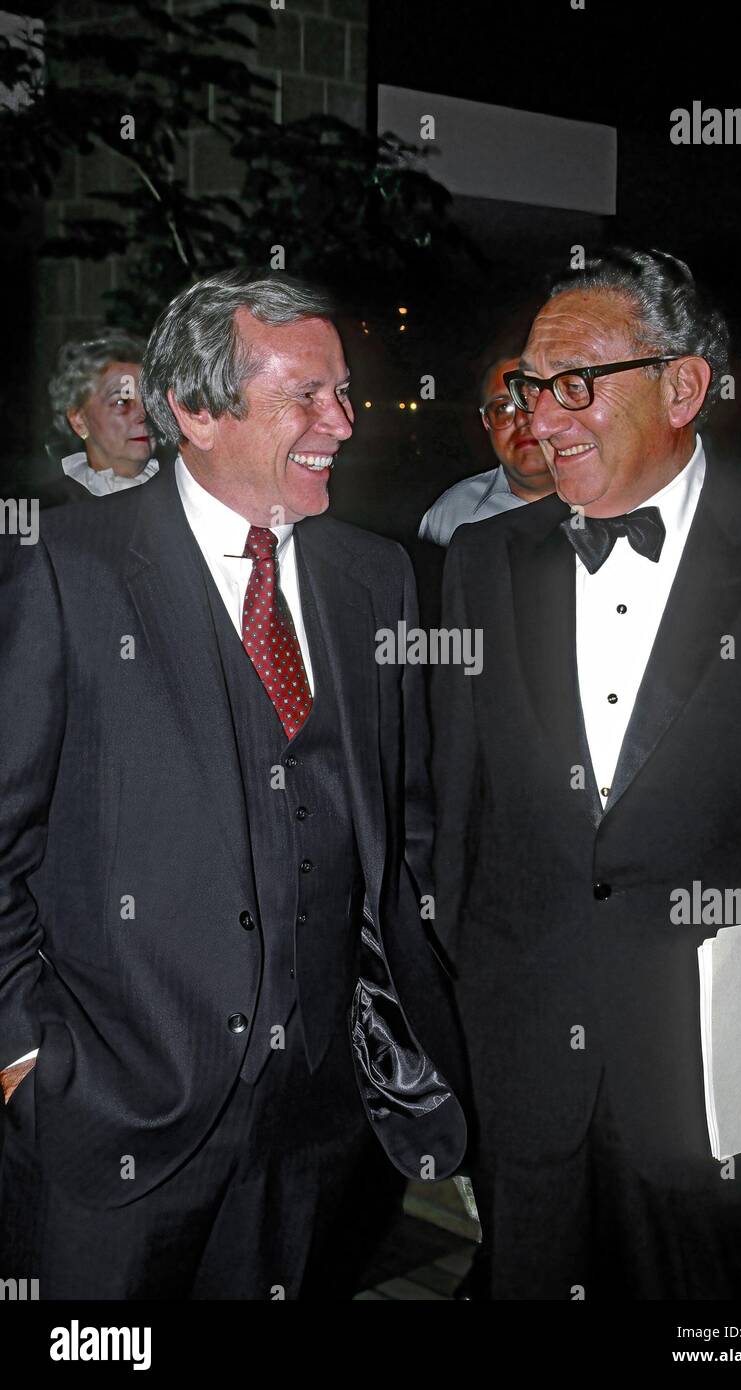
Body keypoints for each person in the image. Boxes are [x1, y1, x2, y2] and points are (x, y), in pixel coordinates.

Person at [0, 268, 467, 1300]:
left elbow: (403, 818)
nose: (341, 422)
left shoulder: (373, 577)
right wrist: (24, 1055)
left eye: (342, 391)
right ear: (194, 409)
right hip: (109, 1112)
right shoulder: (65, 570)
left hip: (312, 1116)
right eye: (306, 395)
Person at [433, 247, 741, 1300]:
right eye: (531, 387)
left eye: (576, 382)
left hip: (731, 1078)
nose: (541, 417)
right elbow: (452, 817)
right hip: (526, 1066)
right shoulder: (481, 562)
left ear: (681, 387)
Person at [418, 355, 555, 547]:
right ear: (486, 422)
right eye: (502, 408)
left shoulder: (605, 500)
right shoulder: (450, 515)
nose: (521, 420)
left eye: (531, 400)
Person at [42, 330, 160, 503]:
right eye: (122, 403)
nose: (143, 415)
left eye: (150, 401)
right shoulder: (49, 508)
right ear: (79, 421)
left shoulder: (186, 492)